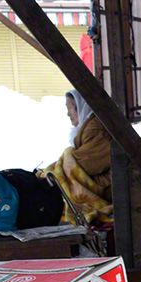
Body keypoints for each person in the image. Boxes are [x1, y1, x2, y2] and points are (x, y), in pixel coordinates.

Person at [37, 90, 114, 226]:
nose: (67, 114)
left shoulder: (95, 129)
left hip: (110, 185)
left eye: (69, 108)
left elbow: (82, 166)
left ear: (80, 107)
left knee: (64, 199)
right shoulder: (88, 126)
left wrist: (53, 172)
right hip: (105, 181)